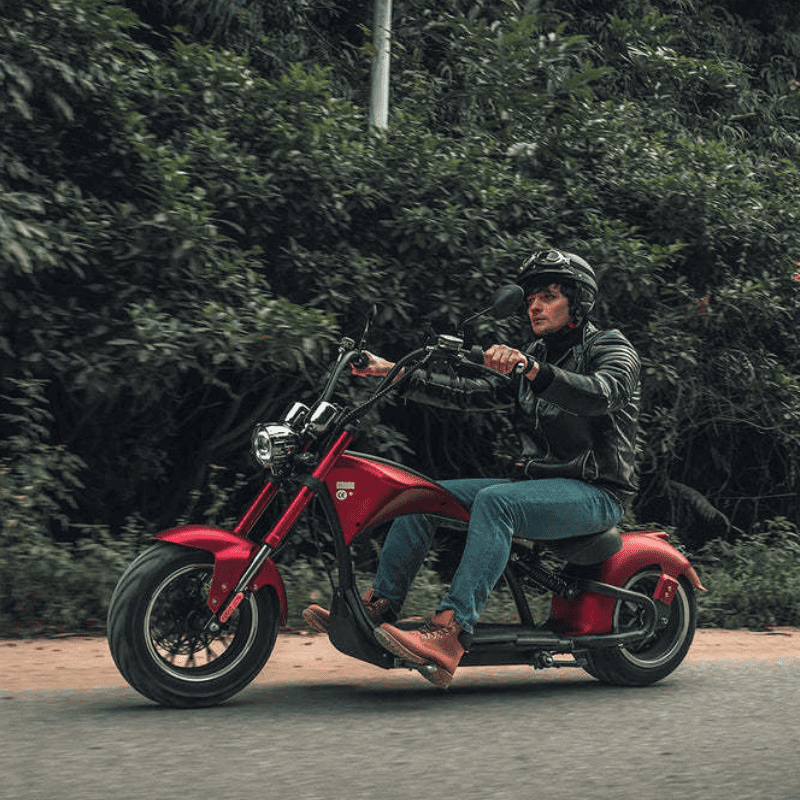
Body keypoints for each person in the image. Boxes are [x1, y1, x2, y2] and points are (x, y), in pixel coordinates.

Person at [304, 248, 641, 687]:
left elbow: (601, 393)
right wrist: (390, 372)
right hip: (540, 486)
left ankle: (450, 633)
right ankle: (376, 609)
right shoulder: (536, 354)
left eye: (548, 296)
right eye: (531, 298)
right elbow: (469, 394)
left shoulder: (610, 347)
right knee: (424, 497)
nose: (533, 305)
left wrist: (533, 369)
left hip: (596, 492)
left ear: (577, 303)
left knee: (495, 502)